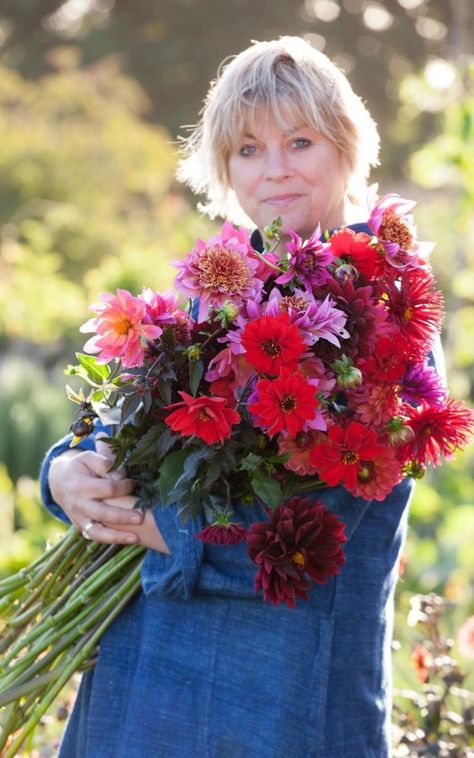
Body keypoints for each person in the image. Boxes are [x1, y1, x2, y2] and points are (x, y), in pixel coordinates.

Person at [41, 36, 423, 758]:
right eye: (248, 149)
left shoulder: (382, 309)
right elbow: (116, 425)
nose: (273, 170)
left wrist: (143, 522)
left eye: (300, 141)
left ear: (347, 147)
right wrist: (68, 473)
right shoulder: (217, 288)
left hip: (273, 699)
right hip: (141, 688)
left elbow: (315, 533)